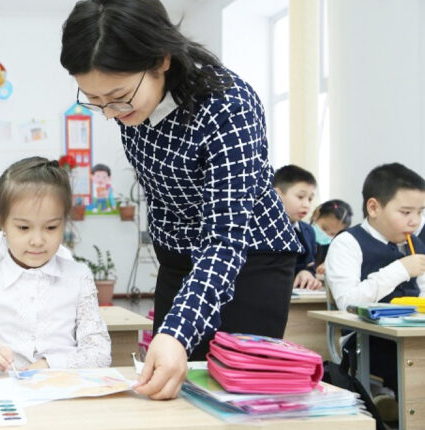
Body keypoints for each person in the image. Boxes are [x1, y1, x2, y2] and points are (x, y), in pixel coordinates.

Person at [60, 0, 302, 399]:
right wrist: (174, 331)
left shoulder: (227, 107)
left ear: (161, 59)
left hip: (248, 259)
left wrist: (177, 332)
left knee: (235, 396)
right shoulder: (130, 106)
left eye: (118, 97)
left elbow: (225, 238)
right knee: (168, 389)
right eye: (94, 99)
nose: (109, 113)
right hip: (178, 257)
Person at [0, 157, 111, 373]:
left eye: (51, 227)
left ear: (64, 222)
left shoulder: (78, 277)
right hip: (4, 390)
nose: (37, 241)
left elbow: (100, 353)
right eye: (24, 228)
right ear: (2, 222)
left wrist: (50, 365)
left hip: (64, 389)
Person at [326, 162, 425, 395]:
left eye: (421, 212)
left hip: (412, 336)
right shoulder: (348, 243)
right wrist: (400, 269)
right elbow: (348, 303)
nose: (415, 221)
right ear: (373, 207)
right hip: (367, 341)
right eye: (406, 212)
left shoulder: (415, 244)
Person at [273, 165, 323, 290]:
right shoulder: (263, 229)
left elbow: (309, 265)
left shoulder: (309, 231)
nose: (306, 205)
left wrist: (306, 272)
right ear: (277, 195)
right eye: (300, 197)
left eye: (310, 199)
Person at [310, 199, 353, 275]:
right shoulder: (299, 237)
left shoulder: (334, 248)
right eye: (324, 228)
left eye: (333, 234)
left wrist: (328, 266)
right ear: (316, 215)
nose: (326, 235)